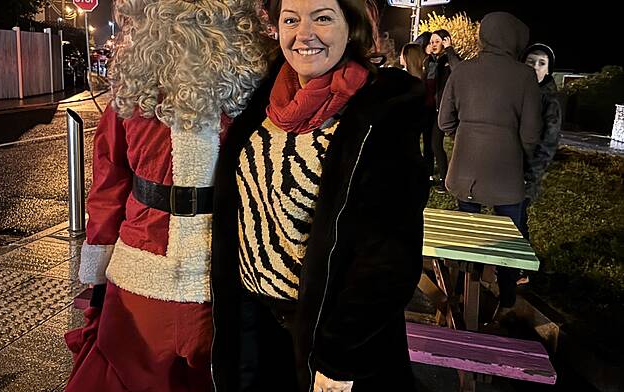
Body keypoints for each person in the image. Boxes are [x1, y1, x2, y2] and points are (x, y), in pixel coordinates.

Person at [210, 0, 429, 391]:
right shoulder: (262, 102)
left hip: (329, 343)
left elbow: (389, 261)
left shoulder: (381, 115)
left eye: (323, 17)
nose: (304, 33)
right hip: (256, 333)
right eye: (291, 19)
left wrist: (338, 359)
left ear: (353, 25)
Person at [62, 1, 271, 391]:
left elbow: (108, 187)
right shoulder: (257, 87)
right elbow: (108, 185)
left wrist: (96, 280)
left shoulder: (257, 92)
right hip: (167, 276)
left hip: (209, 276)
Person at [438, 12, 542, 319]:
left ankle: (456, 291)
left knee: (466, 235)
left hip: (464, 174)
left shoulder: (462, 71)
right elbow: (532, 134)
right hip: (507, 177)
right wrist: (517, 153)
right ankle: (506, 300)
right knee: (507, 240)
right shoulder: (524, 77)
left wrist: (466, 133)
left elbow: (445, 121)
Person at [518, 43, 562, 284]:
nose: (535, 67)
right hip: (509, 166)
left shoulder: (550, 100)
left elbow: (548, 144)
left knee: (517, 219)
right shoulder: (520, 90)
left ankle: (521, 269)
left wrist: (531, 176)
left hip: (527, 172)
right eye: (530, 61)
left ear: (548, 70)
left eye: (541, 63)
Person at [423, 29, 462, 192]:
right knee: (427, 145)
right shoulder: (429, 61)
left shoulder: (448, 59)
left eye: (437, 41)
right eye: (432, 42)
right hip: (427, 109)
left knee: (436, 144)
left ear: (445, 41)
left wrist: (449, 49)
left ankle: (445, 180)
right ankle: (428, 175)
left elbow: (459, 70)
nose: (433, 45)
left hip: (442, 109)